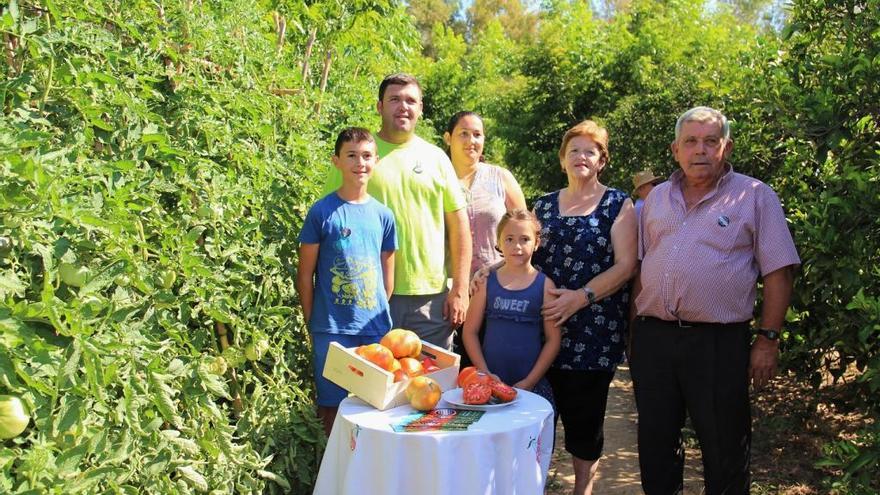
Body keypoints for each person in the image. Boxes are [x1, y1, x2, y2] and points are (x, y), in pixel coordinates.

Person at [631, 106, 800, 494]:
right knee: (656, 448)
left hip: (717, 344)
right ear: (676, 149)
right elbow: (642, 268)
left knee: (724, 449)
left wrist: (767, 339)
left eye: (711, 141)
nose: (700, 150)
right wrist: (634, 334)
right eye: (691, 141)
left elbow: (779, 272)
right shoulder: (656, 199)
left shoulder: (754, 195)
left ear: (727, 147)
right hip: (654, 339)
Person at [322, 74, 471, 349]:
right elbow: (330, 221)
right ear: (379, 106)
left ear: (421, 108)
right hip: (368, 295)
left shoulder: (436, 157)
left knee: (431, 385)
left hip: (430, 299)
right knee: (372, 385)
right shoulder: (359, 155)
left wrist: (460, 288)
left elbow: (460, 225)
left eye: (411, 100)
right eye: (394, 99)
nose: (403, 106)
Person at [296, 128, 397, 435]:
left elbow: (387, 278)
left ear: (376, 161)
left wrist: (374, 314)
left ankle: (367, 477)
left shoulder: (384, 215)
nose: (360, 163)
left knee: (374, 409)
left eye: (367, 156)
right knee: (331, 408)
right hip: (332, 330)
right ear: (336, 161)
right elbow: (305, 275)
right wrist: (313, 320)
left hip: (374, 330)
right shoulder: (322, 212)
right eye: (351, 155)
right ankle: (332, 474)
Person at [443, 110, 527, 366]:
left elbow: (526, 232)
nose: (472, 140)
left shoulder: (500, 178)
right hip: (448, 294)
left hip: (500, 290)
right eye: (464, 134)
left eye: (477, 134)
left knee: (495, 371)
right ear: (448, 138)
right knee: (454, 374)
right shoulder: (437, 178)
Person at [461, 209, 560, 406]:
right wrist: (485, 374)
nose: (517, 246)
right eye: (509, 239)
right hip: (487, 386)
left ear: (536, 243)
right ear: (498, 242)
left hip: (530, 386)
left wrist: (529, 382)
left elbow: (553, 340)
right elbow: (469, 332)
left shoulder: (546, 286)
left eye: (525, 239)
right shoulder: (485, 283)